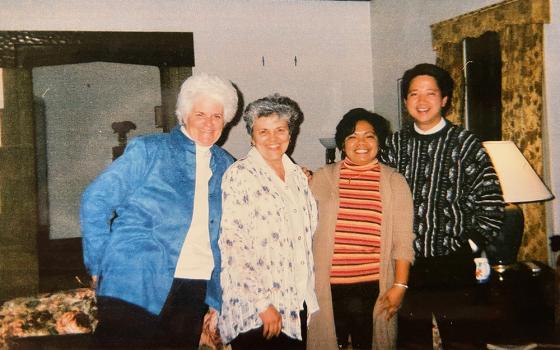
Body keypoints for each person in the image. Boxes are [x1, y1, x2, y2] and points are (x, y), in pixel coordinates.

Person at [80, 73, 238, 348]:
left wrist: (216, 297)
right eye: (201, 114)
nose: (209, 124)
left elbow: (228, 234)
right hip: (135, 280)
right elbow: (95, 200)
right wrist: (99, 262)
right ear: (184, 114)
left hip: (193, 287)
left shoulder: (227, 165)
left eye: (217, 116)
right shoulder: (150, 150)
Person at [379, 63, 504, 346]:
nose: (421, 101)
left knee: (463, 340)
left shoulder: (465, 143)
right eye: (414, 94)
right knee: (412, 341)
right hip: (405, 263)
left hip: (453, 263)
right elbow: (373, 190)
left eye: (430, 93)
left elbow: (492, 202)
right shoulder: (395, 145)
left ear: (444, 99)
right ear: (405, 101)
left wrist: (468, 243)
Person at [307, 108, 415, 350]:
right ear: (343, 144)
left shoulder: (393, 181)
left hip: (373, 288)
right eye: (352, 136)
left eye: (370, 136)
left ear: (379, 141)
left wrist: (400, 286)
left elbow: (403, 240)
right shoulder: (323, 177)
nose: (361, 143)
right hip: (328, 287)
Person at [218, 94, 318, 350]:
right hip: (258, 309)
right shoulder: (240, 175)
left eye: (280, 130)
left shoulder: (297, 176)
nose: (273, 138)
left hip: (295, 303)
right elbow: (233, 244)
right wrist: (263, 304)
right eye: (263, 131)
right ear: (252, 136)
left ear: (290, 134)